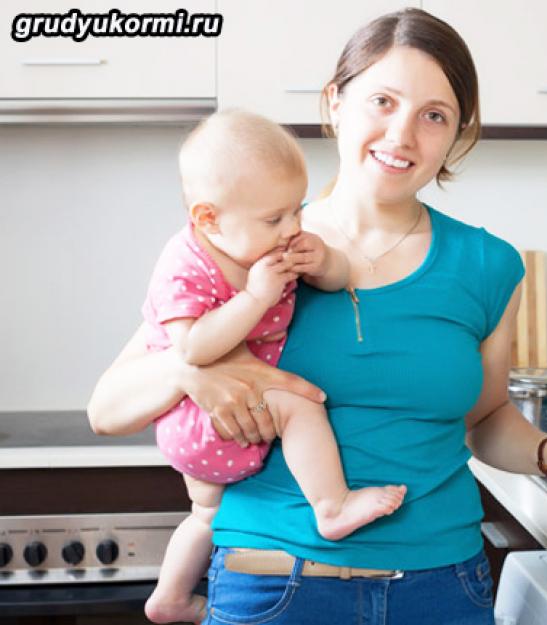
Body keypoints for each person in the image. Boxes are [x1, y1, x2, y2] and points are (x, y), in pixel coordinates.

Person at [88, 8, 547, 625]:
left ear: (456, 134)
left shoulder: (489, 266)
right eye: (383, 100)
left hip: (443, 590)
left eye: (434, 115)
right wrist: (192, 372)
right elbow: (106, 409)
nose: (401, 135)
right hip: (271, 590)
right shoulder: (243, 248)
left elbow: (483, 419)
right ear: (335, 102)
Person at [136, 110, 405, 625]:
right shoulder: (185, 262)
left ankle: (168, 598)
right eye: (274, 220)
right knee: (300, 405)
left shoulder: (264, 244)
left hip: (217, 424)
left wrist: (323, 261)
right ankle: (333, 506)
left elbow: (337, 278)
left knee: (205, 515)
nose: (291, 230)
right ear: (208, 218)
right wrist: (257, 296)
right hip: (203, 418)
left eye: (296, 212)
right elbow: (190, 348)